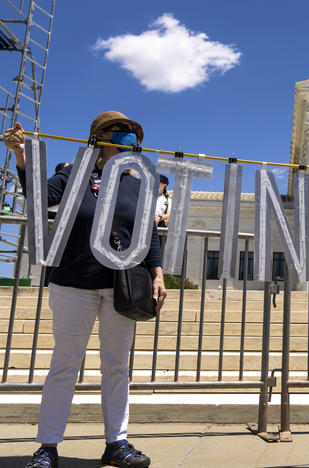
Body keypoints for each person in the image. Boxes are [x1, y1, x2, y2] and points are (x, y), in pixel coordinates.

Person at [3, 111, 167, 468]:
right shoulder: (73, 175)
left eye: (131, 133)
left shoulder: (137, 183)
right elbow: (39, 197)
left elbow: (149, 232)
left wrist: (157, 271)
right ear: (98, 137)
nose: (126, 137)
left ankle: (117, 443)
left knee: (116, 367)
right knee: (65, 364)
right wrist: (21, 157)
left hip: (121, 285)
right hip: (73, 281)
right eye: (118, 131)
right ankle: (47, 446)